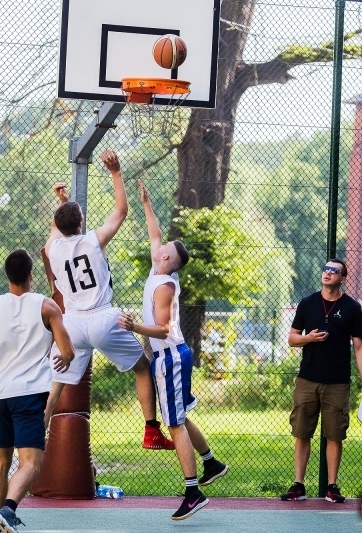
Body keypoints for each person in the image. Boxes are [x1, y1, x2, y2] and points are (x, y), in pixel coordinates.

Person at [43, 148, 174, 451]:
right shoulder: (92, 240)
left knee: (54, 389)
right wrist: (116, 173)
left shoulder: (53, 249)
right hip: (103, 317)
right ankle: (151, 431)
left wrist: (61, 203)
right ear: (80, 225)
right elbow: (121, 212)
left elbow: (55, 230)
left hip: (71, 323)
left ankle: (37, 434)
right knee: (143, 367)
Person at [117, 179, 228, 520]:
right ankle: (211, 463)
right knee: (179, 417)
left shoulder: (164, 285)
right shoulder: (159, 267)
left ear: (166, 258)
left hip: (170, 357)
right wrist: (147, 205)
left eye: (162, 246)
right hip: (170, 357)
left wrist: (135, 327)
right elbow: (154, 234)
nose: (157, 244)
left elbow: (164, 329)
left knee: (174, 425)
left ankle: (193, 492)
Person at [0, 249, 75, 533]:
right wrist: (65, 358)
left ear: (7, 276)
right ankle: (8, 511)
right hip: (29, 395)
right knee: (30, 463)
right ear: (30, 275)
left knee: (0, 460)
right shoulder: (47, 307)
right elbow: (68, 351)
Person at [281, 259, 362, 503]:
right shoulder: (308, 303)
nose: (328, 273)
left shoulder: (352, 307)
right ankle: (298, 485)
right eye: (326, 269)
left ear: (343, 278)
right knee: (302, 432)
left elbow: (360, 346)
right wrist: (308, 338)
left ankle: (332, 486)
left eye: (334, 271)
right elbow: (291, 338)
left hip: (338, 382)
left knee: (335, 434)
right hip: (307, 379)